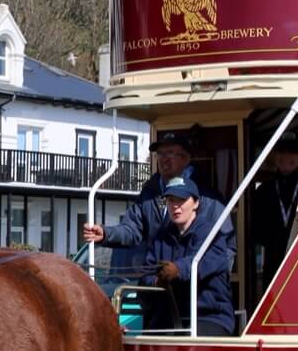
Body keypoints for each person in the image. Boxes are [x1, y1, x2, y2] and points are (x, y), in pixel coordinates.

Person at [91, 175, 236, 335]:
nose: (175, 206)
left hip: (209, 316)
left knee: (185, 341)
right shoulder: (162, 236)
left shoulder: (212, 234)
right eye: (171, 200)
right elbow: (147, 273)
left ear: (196, 203)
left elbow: (201, 263)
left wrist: (177, 270)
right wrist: (156, 281)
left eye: (181, 200)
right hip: (168, 317)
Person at [83, 130, 192, 274]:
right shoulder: (149, 192)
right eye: (160, 153)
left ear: (185, 158)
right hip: (155, 282)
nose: (164, 159)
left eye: (170, 153)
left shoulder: (202, 194)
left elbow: (220, 247)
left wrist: (183, 272)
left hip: (188, 287)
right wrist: (105, 233)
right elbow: (132, 229)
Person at [244, 132, 298, 309]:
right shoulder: (263, 191)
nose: (286, 157)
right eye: (281, 151)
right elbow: (255, 232)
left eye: (292, 152)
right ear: (274, 155)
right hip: (273, 266)